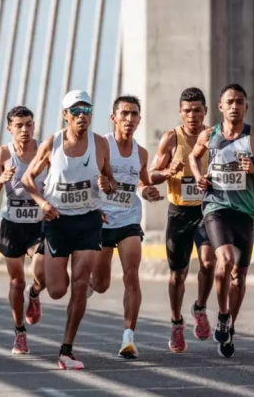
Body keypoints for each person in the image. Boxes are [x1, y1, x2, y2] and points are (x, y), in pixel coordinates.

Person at [22, 89, 117, 370]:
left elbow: (110, 182)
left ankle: (67, 349)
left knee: (79, 284)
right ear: (65, 115)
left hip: (88, 220)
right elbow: (28, 179)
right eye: (75, 112)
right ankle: (36, 291)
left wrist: (106, 185)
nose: (81, 116)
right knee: (57, 289)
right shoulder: (52, 144)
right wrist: (41, 203)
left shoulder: (100, 144)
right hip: (57, 222)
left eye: (86, 111)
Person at [189, 84, 254, 358]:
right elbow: (194, 157)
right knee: (224, 261)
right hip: (216, 208)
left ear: (246, 106)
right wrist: (198, 176)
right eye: (229, 101)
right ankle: (223, 314)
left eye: (239, 101)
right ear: (220, 106)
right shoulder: (209, 135)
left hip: (244, 213)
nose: (234, 106)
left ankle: (229, 327)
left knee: (239, 276)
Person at [87, 95, 162, 359]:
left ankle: (128, 337)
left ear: (139, 120)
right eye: (125, 114)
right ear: (114, 118)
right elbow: (89, 175)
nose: (129, 120)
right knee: (102, 283)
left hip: (129, 220)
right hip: (104, 221)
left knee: (132, 275)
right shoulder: (101, 145)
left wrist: (148, 191)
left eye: (134, 115)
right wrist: (102, 182)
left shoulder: (141, 152)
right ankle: (90, 284)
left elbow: (141, 183)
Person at [148, 87, 216, 353]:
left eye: (197, 110)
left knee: (209, 262)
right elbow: (150, 175)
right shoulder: (171, 138)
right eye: (187, 110)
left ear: (205, 111)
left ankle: (199, 308)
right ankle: (177, 323)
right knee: (178, 274)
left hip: (207, 210)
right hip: (178, 214)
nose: (192, 115)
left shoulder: (213, 136)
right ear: (180, 112)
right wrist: (167, 171)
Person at [0, 106, 47, 355]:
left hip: (38, 223)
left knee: (42, 273)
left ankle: (35, 293)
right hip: (12, 225)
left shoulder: (44, 151)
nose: (25, 130)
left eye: (29, 124)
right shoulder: (2, 154)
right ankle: (20, 333)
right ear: (9, 128)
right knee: (16, 282)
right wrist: (1, 179)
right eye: (19, 125)